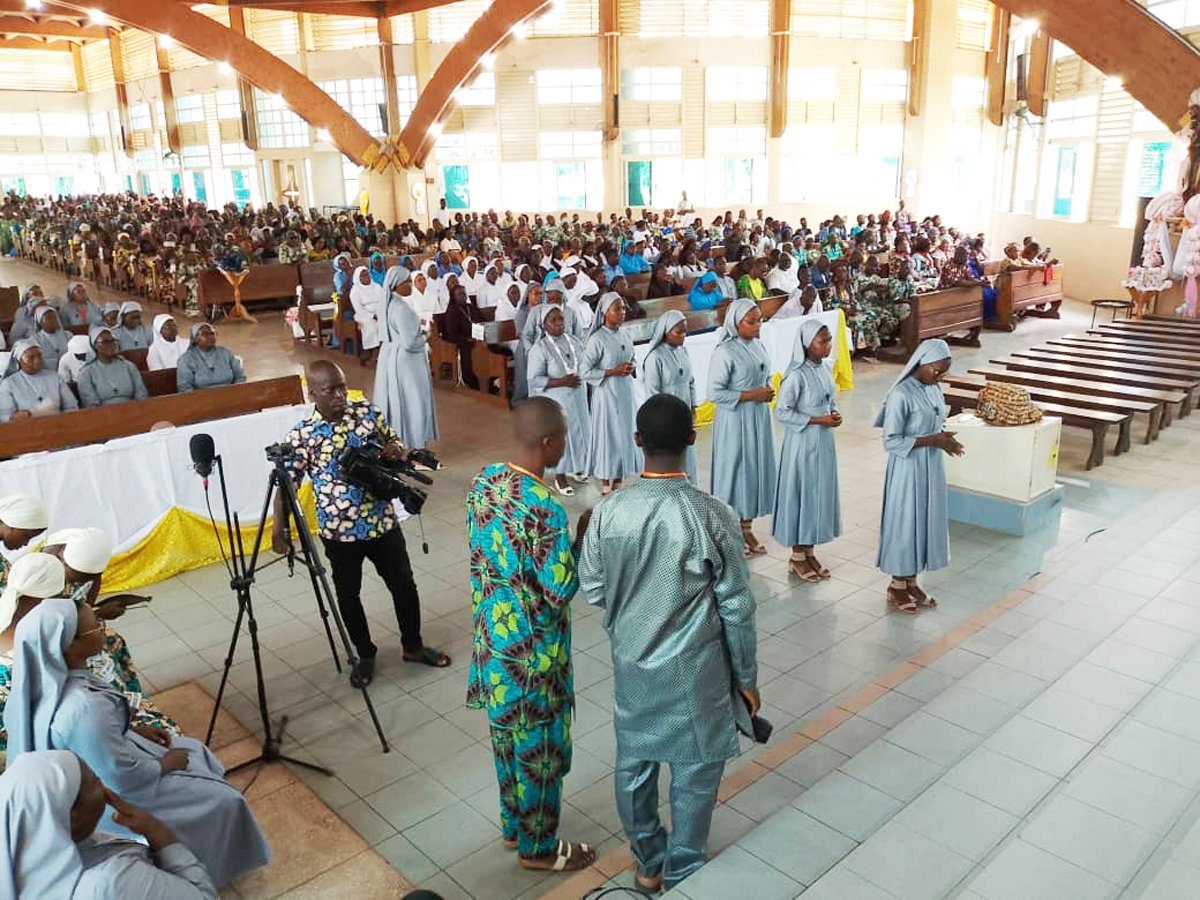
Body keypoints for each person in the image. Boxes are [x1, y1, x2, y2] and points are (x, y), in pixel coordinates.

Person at [579, 393, 759, 894]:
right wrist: (746, 679)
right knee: (696, 769)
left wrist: (633, 617)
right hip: (696, 670)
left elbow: (593, 588)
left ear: (637, 441)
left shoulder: (608, 513)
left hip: (633, 663)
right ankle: (683, 866)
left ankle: (648, 859)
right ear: (691, 440)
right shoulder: (711, 514)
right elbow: (738, 608)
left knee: (634, 762)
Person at [4, 598, 270, 886]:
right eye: (94, 628)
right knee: (224, 800)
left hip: (102, 765)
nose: (101, 630)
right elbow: (121, 776)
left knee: (193, 748)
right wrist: (165, 764)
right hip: (112, 794)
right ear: (69, 648)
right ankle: (199, 872)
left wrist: (131, 730)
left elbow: (96, 738)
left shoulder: (46, 685)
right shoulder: (83, 708)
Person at [465, 397, 597, 874]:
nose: (565, 444)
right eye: (562, 437)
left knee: (506, 741)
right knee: (540, 751)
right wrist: (582, 535)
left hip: (494, 643)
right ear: (547, 442)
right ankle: (538, 848)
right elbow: (560, 588)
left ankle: (512, 826)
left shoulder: (484, 481)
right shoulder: (544, 507)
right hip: (534, 656)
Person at [275, 360, 449, 687]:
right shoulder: (302, 436)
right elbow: (286, 483)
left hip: (381, 522)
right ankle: (365, 654)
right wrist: (278, 528)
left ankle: (412, 646)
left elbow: (395, 444)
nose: (340, 395)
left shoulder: (366, 413)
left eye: (342, 386)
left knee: (404, 586)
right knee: (348, 595)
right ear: (312, 393)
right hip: (339, 532)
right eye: (330, 390)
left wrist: (395, 449)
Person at [0, 749, 219, 898]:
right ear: (72, 818)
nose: (104, 788)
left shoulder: (22, 856)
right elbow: (204, 895)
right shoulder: (110, 882)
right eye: (94, 781)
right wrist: (155, 829)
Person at [40, 527, 178, 737]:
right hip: (59, 643)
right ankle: (126, 710)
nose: (80, 583)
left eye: (89, 578)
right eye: (78, 578)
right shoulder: (44, 572)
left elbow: (85, 605)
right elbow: (55, 626)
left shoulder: (87, 561)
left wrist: (96, 613)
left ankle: (132, 699)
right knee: (103, 666)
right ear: (65, 563)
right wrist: (96, 615)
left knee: (114, 641)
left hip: (76, 634)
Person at [875, 339, 963, 613]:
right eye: (937, 370)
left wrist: (944, 439)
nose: (940, 376)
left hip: (931, 466)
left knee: (925, 519)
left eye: (944, 371)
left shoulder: (934, 388)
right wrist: (931, 440)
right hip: (907, 468)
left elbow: (937, 421)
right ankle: (896, 585)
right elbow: (891, 441)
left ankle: (912, 581)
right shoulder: (901, 394)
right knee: (906, 521)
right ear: (922, 363)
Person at [771, 320, 842, 582]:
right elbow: (782, 411)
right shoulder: (796, 375)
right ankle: (797, 556)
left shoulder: (823, 369)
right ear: (806, 344)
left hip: (823, 442)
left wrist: (833, 413)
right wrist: (816, 420)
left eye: (828, 340)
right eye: (821, 341)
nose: (827, 346)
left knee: (818, 493)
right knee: (803, 493)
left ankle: (809, 550)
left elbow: (828, 399)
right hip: (802, 444)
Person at [708, 300, 776, 557]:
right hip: (736, 420)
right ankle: (728, 531)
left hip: (758, 417)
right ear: (735, 323)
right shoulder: (725, 351)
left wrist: (766, 389)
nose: (758, 326)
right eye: (752, 321)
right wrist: (750, 395)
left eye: (760, 320)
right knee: (735, 471)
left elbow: (764, 374)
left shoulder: (758, 345)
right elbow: (715, 392)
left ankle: (746, 526)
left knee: (752, 470)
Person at [373, 266, 439, 450]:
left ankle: (401, 440)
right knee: (415, 401)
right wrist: (426, 334)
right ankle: (417, 445)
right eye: (407, 282)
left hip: (391, 355)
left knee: (399, 399)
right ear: (396, 284)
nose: (410, 285)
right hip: (408, 361)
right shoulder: (401, 307)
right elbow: (411, 342)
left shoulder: (388, 303)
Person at [581, 293, 641, 495]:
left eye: (623, 308)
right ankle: (606, 480)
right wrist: (612, 371)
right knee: (608, 435)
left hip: (624, 392)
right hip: (607, 394)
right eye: (617, 309)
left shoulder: (624, 335)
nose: (622, 313)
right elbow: (585, 371)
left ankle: (620, 476)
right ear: (605, 312)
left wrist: (631, 366)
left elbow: (631, 356)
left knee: (624, 432)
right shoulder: (597, 339)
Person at [527, 306, 589, 495]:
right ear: (544, 325)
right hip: (556, 401)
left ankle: (577, 468)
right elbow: (533, 379)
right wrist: (561, 381)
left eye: (561, 319)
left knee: (580, 434)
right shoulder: (539, 349)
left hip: (577, 399)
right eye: (553, 320)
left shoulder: (575, 341)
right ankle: (559, 478)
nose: (559, 323)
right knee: (560, 439)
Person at [640, 310, 697, 483]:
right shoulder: (655, 357)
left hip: (684, 412)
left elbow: (690, 381)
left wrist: (693, 406)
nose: (683, 336)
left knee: (688, 459)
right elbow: (653, 393)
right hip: (666, 418)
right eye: (678, 332)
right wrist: (662, 420)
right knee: (671, 460)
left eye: (685, 331)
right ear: (666, 332)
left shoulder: (683, 351)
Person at [0, 340, 80, 422]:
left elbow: (71, 406)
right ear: (19, 361)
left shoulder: (54, 377)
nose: (37, 360)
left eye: (39, 356)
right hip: (26, 429)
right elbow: (5, 417)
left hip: (59, 426)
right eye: (31, 358)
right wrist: (15, 417)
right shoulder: (8, 384)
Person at [77, 328, 149, 408]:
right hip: (102, 415)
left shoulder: (128, 366)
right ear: (94, 346)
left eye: (113, 341)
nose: (111, 345)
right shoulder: (86, 373)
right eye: (105, 342)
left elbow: (141, 394)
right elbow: (91, 404)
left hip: (133, 409)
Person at [176, 323, 246, 393]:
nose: (210, 337)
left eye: (212, 333)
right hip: (201, 399)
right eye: (205, 334)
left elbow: (240, 377)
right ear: (196, 338)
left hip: (229, 395)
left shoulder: (225, 353)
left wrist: (236, 393)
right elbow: (184, 387)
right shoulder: (186, 359)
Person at [348, 264, 384, 364]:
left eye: (367, 274)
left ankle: (385, 348)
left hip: (379, 311)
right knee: (370, 325)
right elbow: (358, 309)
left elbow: (383, 301)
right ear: (358, 278)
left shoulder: (377, 287)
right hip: (363, 314)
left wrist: (380, 312)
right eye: (363, 276)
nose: (366, 277)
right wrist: (372, 315)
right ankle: (369, 350)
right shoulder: (355, 291)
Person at [33, 305, 70, 373]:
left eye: (54, 317)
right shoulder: (35, 340)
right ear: (40, 322)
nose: (53, 320)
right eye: (49, 318)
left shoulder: (67, 335)